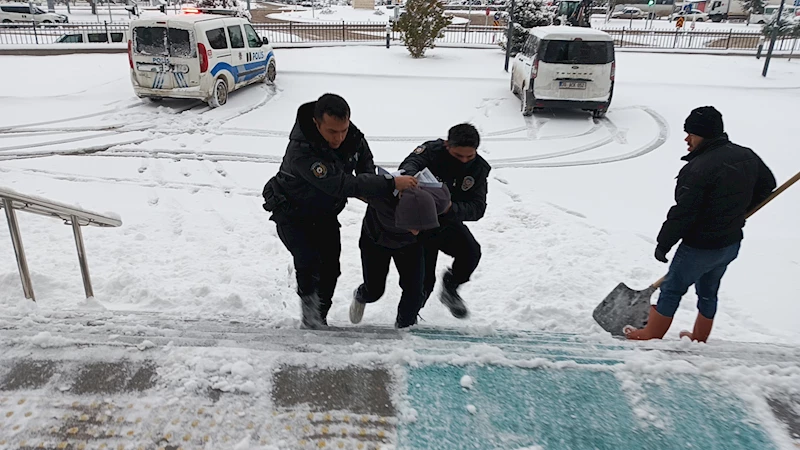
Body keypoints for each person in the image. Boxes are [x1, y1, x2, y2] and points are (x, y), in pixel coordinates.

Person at [261, 94, 418, 329]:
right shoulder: (301, 151)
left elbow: (365, 170)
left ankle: (320, 315)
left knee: (331, 269)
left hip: (325, 213)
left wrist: (385, 196)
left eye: (343, 130)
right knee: (308, 261)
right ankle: (311, 317)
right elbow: (341, 184)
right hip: (293, 213)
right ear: (317, 123)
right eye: (332, 132)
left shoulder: (353, 137)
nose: (339, 137)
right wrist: (390, 184)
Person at [625, 106, 776, 342]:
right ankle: (699, 337)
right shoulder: (746, 155)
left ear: (704, 134)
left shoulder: (697, 169)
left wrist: (664, 243)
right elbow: (768, 185)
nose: (687, 139)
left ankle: (651, 334)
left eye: (691, 134)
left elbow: (683, 213)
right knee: (708, 291)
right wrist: (738, 212)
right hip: (729, 244)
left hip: (700, 247)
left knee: (672, 288)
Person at [397, 123, 491, 319]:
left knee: (471, 253)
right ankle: (408, 320)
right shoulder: (431, 151)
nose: (464, 161)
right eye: (458, 156)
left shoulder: (479, 169)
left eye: (469, 156)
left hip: (447, 221)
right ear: (447, 145)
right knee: (424, 282)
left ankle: (450, 288)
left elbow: (477, 208)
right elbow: (408, 166)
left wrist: (450, 208)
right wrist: (412, 180)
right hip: (420, 224)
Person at [350, 182, 452, 329]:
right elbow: (352, 185)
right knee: (374, 290)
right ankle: (361, 296)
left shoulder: (439, 201)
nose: (417, 230)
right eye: (413, 226)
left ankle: (405, 327)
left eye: (420, 227)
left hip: (410, 245)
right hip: (375, 242)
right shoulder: (381, 199)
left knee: (415, 290)